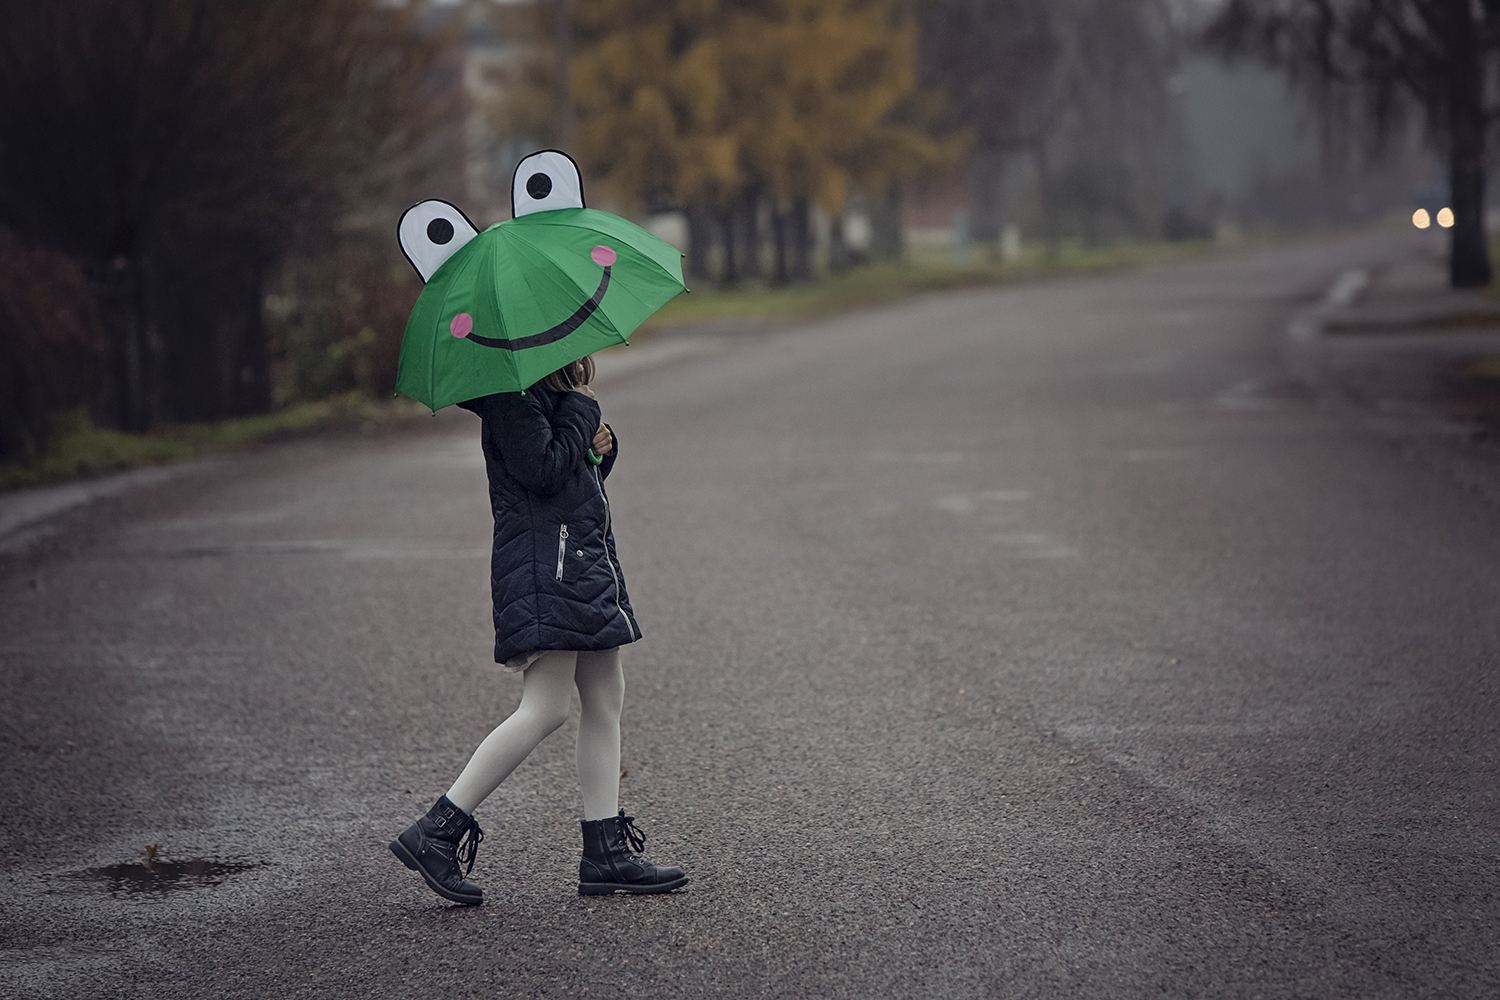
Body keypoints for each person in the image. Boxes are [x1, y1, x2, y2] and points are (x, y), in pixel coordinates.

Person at [389, 355, 687, 905]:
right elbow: (541, 471)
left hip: (577, 562)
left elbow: (572, 478)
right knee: (546, 707)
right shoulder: (511, 391)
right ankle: (437, 829)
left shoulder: (544, 392)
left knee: (605, 695)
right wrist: (580, 412)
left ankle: (605, 852)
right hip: (547, 568)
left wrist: (604, 447)